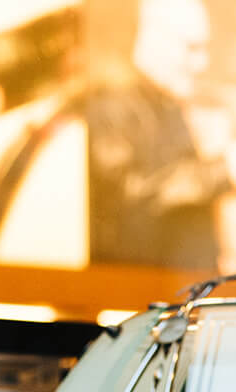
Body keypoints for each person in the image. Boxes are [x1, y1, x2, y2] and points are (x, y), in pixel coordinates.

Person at [84, 0, 224, 269]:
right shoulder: (112, 103)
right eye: (191, 47)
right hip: (134, 296)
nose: (202, 64)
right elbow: (131, 199)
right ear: (155, 39)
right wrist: (219, 172)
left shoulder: (167, 104)